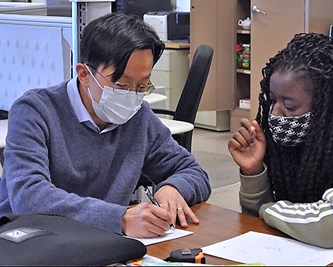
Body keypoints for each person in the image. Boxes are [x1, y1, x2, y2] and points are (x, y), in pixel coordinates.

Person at [0, 13, 211, 238]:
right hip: (28, 239)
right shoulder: (35, 111)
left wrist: (173, 188)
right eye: (122, 84)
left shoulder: (138, 117)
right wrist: (118, 218)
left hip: (100, 241)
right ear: (84, 74)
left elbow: (193, 172)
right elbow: (29, 196)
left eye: (142, 86)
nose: (132, 96)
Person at [228, 32, 333, 257]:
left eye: (290, 107)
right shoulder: (309, 132)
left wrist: (266, 210)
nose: (276, 113)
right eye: (272, 100)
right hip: (323, 252)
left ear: (327, 104)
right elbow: (261, 224)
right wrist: (253, 172)